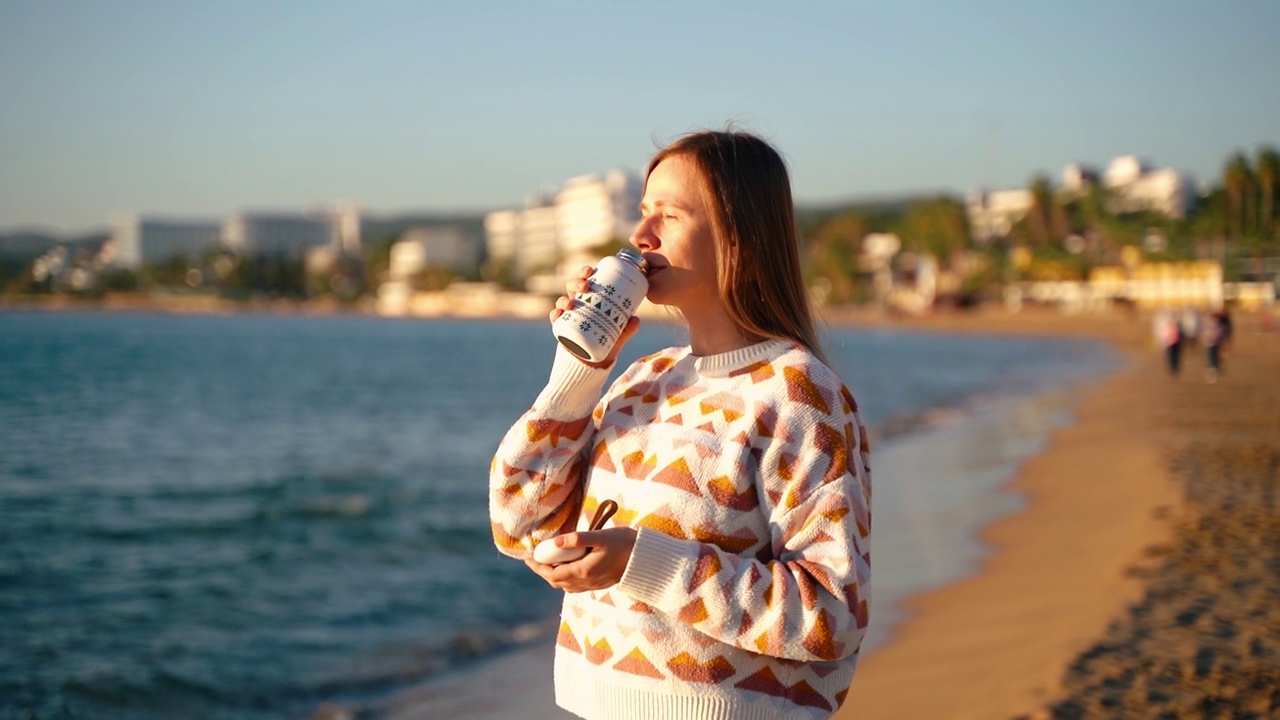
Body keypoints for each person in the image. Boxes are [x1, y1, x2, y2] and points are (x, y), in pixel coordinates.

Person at [489, 130, 872, 720]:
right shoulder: (643, 379)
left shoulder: (799, 394)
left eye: (668, 216)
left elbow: (830, 616)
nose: (641, 237)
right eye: (643, 214)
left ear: (739, 238)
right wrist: (577, 373)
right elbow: (517, 523)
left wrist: (639, 561)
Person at [1153, 308, 1183, 376]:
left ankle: (1175, 368)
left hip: (1175, 342)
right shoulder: (1169, 326)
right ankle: (1172, 368)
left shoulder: (1177, 326)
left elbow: (1179, 334)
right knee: (1171, 356)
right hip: (1170, 342)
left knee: (1175, 356)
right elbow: (1165, 334)